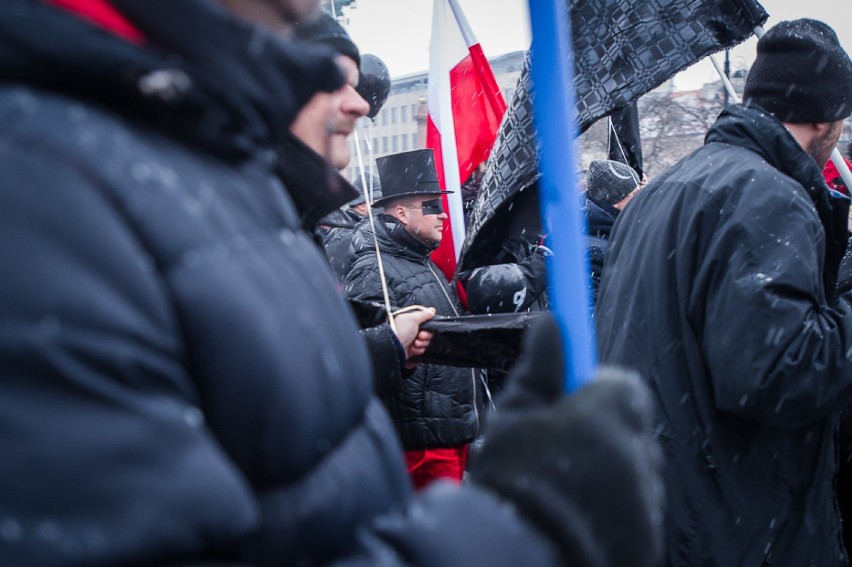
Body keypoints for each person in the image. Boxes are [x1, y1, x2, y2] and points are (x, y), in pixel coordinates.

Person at [0, 0, 664, 565]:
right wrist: (525, 524)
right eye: (327, 79)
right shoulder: (39, 180)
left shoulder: (211, 167)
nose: (357, 103)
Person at [596, 18, 852, 565]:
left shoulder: (659, 192)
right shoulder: (767, 195)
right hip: (734, 523)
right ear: (825, 117)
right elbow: (778, 373)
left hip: (660, 508)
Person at [345, 149, 487, 489]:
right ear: (400, 213)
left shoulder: (421, 260)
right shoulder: (374, 268)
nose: (442, 216)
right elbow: (373, 360)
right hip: (422, 447)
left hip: (448, 434)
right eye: (431, 206)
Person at [581, 159, 641, 307]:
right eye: (635, 194)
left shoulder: (608, 228)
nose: (641, 199)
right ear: (614, 200)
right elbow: (591, 310)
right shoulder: (594, 248)